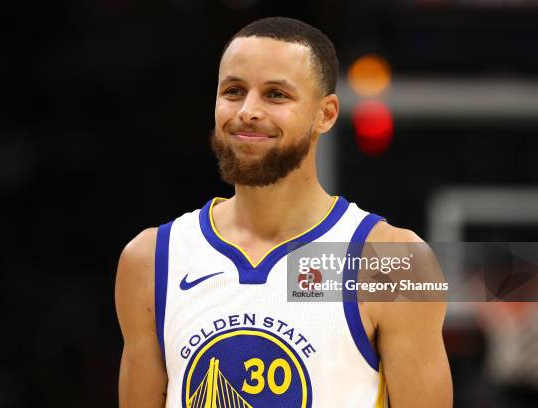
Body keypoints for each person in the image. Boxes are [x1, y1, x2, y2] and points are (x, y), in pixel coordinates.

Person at [115, 16, 452, 408]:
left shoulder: (392, 263)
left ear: (326, 114)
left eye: (275, 95)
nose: (248, 111)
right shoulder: (151, 259)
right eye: (234, 91)